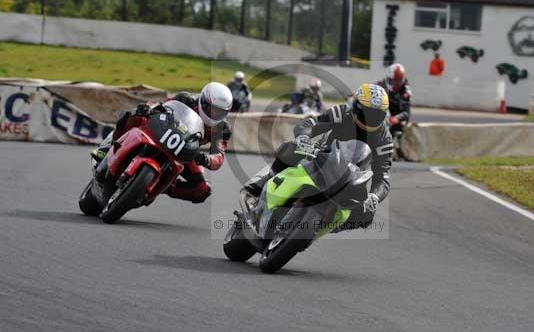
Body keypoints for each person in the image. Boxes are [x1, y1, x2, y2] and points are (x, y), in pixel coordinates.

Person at [245, 83, 393, 231]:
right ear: (356, 106)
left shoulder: (384, 139)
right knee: (292, 147)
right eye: (367, 113)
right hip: (323, 158)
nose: (370, 118)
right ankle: (262, 185)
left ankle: (324, 228)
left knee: (367, 215)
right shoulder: (342, 113)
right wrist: (304, 137)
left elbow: (383, 177)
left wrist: (374, 196)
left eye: (376, 115)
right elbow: (310, 124)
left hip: (351, 178)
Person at [93, 82, 233, 204]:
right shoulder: (186, 99)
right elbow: (162, 105)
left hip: (185, 150)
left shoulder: (222, 129)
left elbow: (219, 157)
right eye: (212, 109)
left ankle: (158, 186)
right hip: (162, 129)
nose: (214, 114)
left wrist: (206, 159)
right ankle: (108, 148)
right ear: (203, 101)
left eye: (219, 112)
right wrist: (149, 109)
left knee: (202, 190)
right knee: (134, 115)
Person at [377, 63, 412, 136]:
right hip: (383, 114)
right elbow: (372, 87)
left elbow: (406, 114)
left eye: (398, 81)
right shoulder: (383, 83)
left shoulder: (405, 92)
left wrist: (396, 118)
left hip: (396, 117)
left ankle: (396, 140)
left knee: (402, 125)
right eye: (393, 80)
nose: (395, 83)